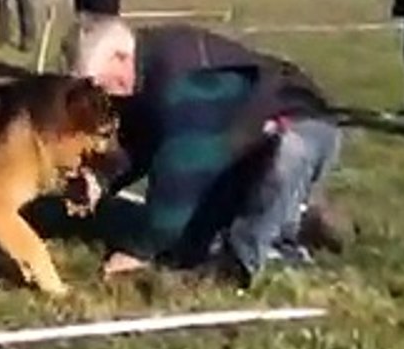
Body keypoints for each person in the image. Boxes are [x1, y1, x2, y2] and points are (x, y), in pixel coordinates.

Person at [61, 17, 347, 288]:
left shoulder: (182, 83)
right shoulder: (145, 71)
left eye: (97, 84)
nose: (98, 95)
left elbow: (182, 177)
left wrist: (140, 249)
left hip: (299, 125)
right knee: (196, 237)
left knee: (206, 241)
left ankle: (244, 263)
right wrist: (100, 178)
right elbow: (138, 139)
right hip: (239, 143)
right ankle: (293, 218)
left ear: (120, 59)